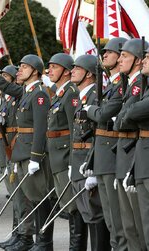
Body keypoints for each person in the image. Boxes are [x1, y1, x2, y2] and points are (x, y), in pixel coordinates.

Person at [0, 51, 53, 251]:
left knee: (36, 198)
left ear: (35, 71)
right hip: (21, 151)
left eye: (25, 67)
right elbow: (5, 86)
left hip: (30, 154)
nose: (20, 70)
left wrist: (36, 156)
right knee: (28, 196)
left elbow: (40, 127)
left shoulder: (40, 94)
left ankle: (42, 242)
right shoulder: (27, 91)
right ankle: (30, 239)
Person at [85, 37, 128, 250]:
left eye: (109, 52)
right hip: (102, 157)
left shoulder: (122, 86)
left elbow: (103, 114)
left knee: (118, 220)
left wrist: (90, 111)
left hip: (112, 156)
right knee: (110, 219)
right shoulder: (110, 85)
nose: (104, 56)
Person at [47, 53, 88, 250]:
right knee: (68, 204)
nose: (49, 71)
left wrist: (74, 160)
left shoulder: (71, 93)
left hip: (65, 156)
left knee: (74, 206)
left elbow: (75, 130)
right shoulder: (59, 93)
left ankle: (77, 247)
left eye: (54, 67)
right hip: (56, 155)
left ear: (65, 71)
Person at [70, 54, 110, 251]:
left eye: (77, 68)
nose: (72, 71)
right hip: (79, 161)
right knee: (88, 213)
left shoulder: (96, 96)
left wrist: (93, 166)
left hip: (88, 162)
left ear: (88, 74)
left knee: (97, 214)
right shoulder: (82, 96)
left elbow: (97, 134)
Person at [113, 38, 147, 250]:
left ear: (137, 60)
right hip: (129, 155)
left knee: (137, 222)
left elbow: (125, 119)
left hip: (136, 152)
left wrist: (122, 118)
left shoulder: (138, 85)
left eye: (124, 56)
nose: (119, 60)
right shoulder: (132, 84)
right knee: (128, 222)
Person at [123, 45, 149, 250]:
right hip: (141, 155)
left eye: (148, 57)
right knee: (143, 222)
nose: (145, 60)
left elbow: (132, 113)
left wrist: (129, 110)